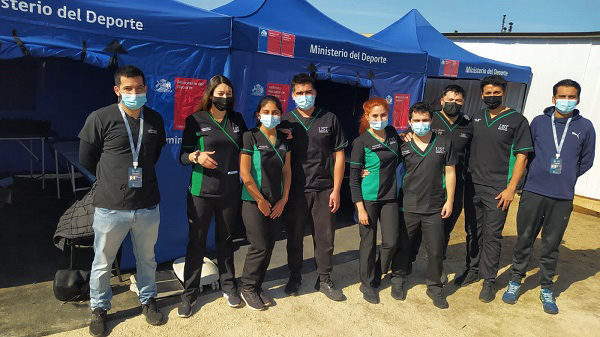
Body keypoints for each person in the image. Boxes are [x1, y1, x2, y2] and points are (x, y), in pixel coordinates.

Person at [79, 65, 166, 336]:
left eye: (139, 88)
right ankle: (99, 308)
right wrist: (111, 180)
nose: (134, 93)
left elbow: (155, 155)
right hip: (110, 207)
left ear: (146, 89)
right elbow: (86, 158)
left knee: (147, 259)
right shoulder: (100, 117)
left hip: (147, 204)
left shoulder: (154, 119)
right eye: (128, 88)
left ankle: (148, 300)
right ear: (118, 90)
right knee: (103, 261)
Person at [502, 79, 595, 314]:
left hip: (562, 197)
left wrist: (566, 175)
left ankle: (546, 287)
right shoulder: (539, 122)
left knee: (551, 245)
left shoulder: (586, 127)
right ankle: (515, 280)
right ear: (553, 99)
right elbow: (526, 153)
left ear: (578, 99)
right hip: (534, 192)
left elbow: (586, 160)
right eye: (562, 96)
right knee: (524, 238)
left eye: (571, 96)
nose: (566, 101)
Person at [177, 75, 248, 318]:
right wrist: (196, 157)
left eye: (228, 93)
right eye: (220, 94)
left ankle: (229, 286)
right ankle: (189, 293)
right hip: (201, 192)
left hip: (229, 191)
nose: (225, 97)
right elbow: (182, 156)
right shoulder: (195, 120)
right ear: (210, 94)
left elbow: (250, 146)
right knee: (196, 242)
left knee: (226, 240)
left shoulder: (237, 120)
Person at [280, 73, 348, 301]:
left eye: (308, 92)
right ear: (292, 95)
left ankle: (325, 278)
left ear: (315, 93)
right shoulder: (284, 121)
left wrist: (337, 189)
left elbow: (339, 155)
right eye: (299, 93)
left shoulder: (329, 118)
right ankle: (294, 276)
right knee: (294, 237)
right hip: (296, 190)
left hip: (323, 188)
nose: (304, 97)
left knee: (325, 237)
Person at [467, 75, 534, 302]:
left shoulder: (517, 120)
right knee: (472, 231)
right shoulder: (476, 116)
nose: (492, 96)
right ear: (482, 94)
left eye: (497, 93)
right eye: (488, 93)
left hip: (498, 189)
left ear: (504, 93)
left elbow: (522, 156)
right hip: (472, 184)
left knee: (492, 235)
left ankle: (489, 280)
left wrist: (511, 188)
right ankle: (473, 269)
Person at [408, 85, 476, 283]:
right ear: (441, 100)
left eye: (458, 101)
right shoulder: (430, 119)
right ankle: (408, 262)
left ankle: (436, 266)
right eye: (449, 99)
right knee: (416, 229)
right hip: (426, 185)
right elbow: (409, 135)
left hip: (455, 184)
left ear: (463, 103)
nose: (453, 104)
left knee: (443, 229)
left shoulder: (468, 125)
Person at [394, 102, 457, 309]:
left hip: (435, 206)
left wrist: (449, 200)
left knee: (436, 250)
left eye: (425, 120)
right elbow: (384, 165)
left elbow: (450, 172)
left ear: (431, 120)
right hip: (408, 205)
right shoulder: (403, 144)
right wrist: (363, 172)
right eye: (416, 121)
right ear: (410, 122)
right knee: (404, 245)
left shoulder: (444, 142)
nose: (421, 124)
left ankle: (435, 287)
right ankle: (398, 278)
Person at [239, 96, 292, 310]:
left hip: (276, 202)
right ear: (258, 115)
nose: (271, 116)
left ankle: (258, 285)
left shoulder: (284, 139)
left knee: (269, 246)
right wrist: (259, 200)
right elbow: (244, 172)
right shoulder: (250, 136)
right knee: (258, 246)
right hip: (253, 201)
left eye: (275, 112)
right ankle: (248, 287)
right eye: (266, 112)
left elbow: (287, 171)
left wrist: (284, 199)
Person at [349, 97, 402, 304]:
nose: (379, 119)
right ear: (367, 117)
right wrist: (360, 208)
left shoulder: (392, 134)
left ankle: (377, 273)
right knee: (368, 244)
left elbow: (400, 156)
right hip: (368, 199)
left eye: (383, 115)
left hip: (390, 197)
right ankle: (367, 283)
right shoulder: (361, 141)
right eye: (375, 116)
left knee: (391, 242)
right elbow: (353, 179)